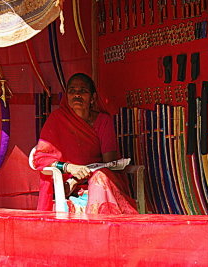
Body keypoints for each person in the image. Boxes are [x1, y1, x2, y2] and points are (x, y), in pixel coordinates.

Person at [32, 73, 138, 214]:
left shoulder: (103, 121)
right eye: (72, 91)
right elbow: (41, 159)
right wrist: (70, 168)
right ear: (66, 96)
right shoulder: (57, 119)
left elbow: (110, 163)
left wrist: (79, 177)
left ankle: (100, 227)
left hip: (99, 179)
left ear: (93, 98)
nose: (77, 95)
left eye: (82, 91)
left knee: (100, 177)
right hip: (66, 184)